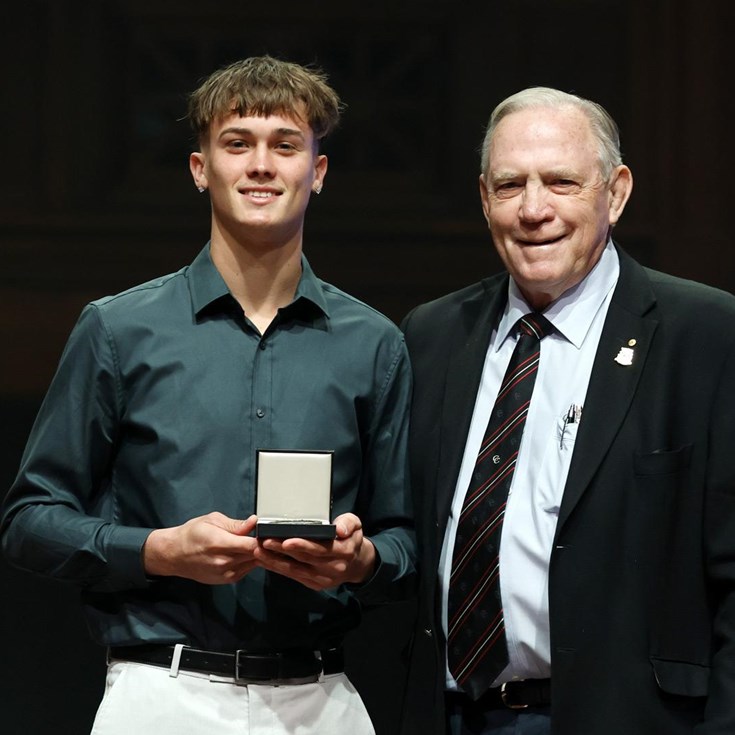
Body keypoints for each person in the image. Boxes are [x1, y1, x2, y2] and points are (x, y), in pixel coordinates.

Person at [1, 55, 415, 735]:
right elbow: (29, 520)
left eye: (284, 145)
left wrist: (360, 559)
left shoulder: (373, 342)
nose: (260, 165)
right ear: (200, 169)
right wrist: (159, 550)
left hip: (320, 697)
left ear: (316, 172)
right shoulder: (118, 328)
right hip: (160, 693)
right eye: (236, 143)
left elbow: (406, 540)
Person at [400, 86, 735, 735]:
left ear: (614, 192)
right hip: (446, 715)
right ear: (482, 197)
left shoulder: (706, 335)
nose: (532, 209)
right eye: (509, 185)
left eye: (559, 182)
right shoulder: (431, 335)